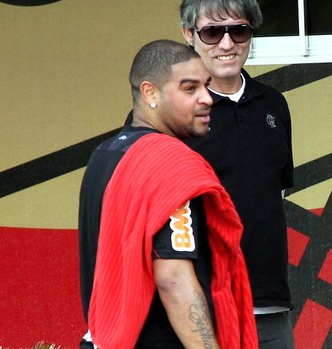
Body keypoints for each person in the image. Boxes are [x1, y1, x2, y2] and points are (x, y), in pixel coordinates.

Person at [78, 39, 257, 349]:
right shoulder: (169, 161)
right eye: (190, 89)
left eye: (206, 86)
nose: (207, 98)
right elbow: (173, 278)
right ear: (150, 93)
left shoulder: (105, 154)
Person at [179, 1, 296, 348]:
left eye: (238, 30)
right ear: (189, 35)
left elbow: (276, 194)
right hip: (201, 308)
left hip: (269, 304)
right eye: (212, 32)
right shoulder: (175, 112)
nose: (227, 44)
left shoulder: (273, 103)